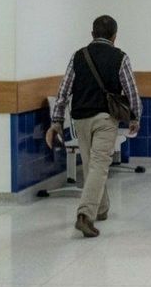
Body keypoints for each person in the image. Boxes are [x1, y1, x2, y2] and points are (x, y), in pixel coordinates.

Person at [46, 15, 141, 238]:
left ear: (92, 34)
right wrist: (135, 117)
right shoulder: (120, 57)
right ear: (115, 36)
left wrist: (57, 121)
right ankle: (85, 215)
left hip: (80, 119)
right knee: (98, 166)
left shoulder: (78, 56)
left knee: (92, 165)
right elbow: (132, 91)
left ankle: (101, 209)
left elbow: (63, 91)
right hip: (105, 119)